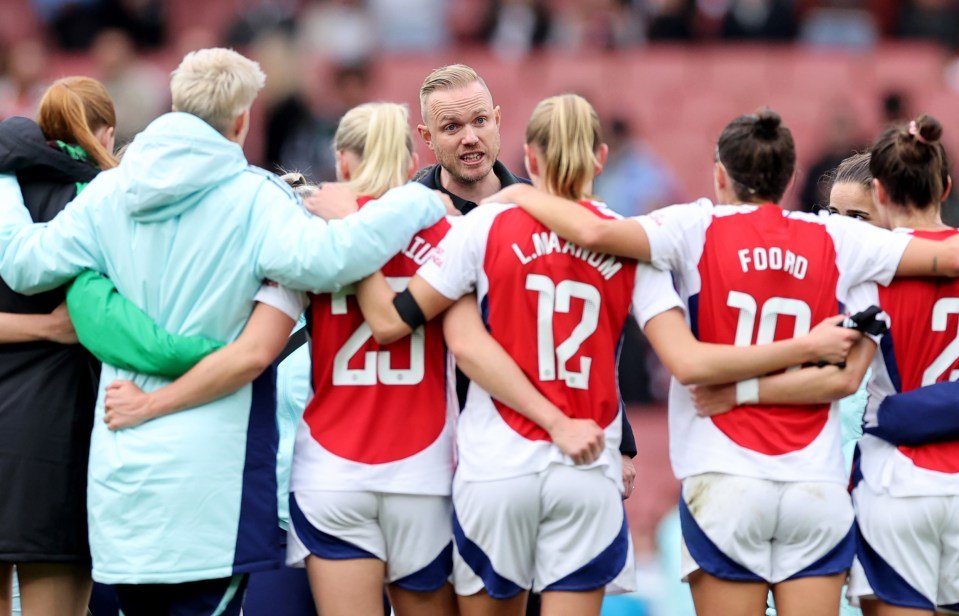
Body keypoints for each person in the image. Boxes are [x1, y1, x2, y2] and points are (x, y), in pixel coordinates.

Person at [339, 95, 862, 616]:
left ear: (530, 157)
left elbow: (401, 324)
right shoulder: (631, 246)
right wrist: (803, 350)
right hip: (588, 466)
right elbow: (683, 358)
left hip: (498, 466)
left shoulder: (480, 228)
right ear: (601, 158)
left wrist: (352, 231)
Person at [0, 48, 444, 616]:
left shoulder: (110, 193)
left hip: (123, 486)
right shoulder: (257, 198)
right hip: (214, 494)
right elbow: (335, 258)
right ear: (241, 120)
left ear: (176, 103)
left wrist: (6, 175)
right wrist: (416, 199)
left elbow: (22, 263)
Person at [485, 108, 959, 615]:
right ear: (790, 178)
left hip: (725, 478)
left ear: (719, 174)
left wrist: (519, 194)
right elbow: (942, 255)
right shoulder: (839, 239)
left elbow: (597, 233)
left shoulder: (693, 225)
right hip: (814, 483)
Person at [697, 115, 959, 615]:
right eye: (831, 215)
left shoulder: (868, 283)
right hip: (829, 496)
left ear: (883, 196)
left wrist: (737, 391)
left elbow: (845, 380)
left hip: (889, 490)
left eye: (855, 218)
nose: (839, 229)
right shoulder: (821, 289)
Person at [411, 63, 641, 497]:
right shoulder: (403, 216)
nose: (470, 137)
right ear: (426, 136)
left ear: (498, 120)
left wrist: (622, 443)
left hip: (536, 446)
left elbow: (588, 325)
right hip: (425, 448)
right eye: (452, 127)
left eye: (480, 120)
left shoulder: (546, 208)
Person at [285, 102, 458, 616]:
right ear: (412, 165)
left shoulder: (308, 233)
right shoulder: (449, 235)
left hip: (331, 468)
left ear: (341, 161)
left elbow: (258, 346)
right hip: (423, 470)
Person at [0, 76, 116, 616]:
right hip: (59, 433)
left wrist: (41, 327)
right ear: (106, 134)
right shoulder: (106, 201)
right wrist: (52, 329)